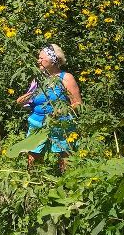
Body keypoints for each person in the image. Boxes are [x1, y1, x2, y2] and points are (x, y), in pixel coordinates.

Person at [16, 44, 81, 173]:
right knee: (33, 157)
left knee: (65, 157)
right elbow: (27, 102)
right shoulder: (38, 79)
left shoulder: (66, 78)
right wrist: (22, 100)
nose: (38, 61)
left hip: (60, 125)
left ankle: (66, 180)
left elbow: (78, 104)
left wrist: (62, 111)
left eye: (41, 58)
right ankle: (34, 180)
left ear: (53, 59)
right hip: (37, 124)